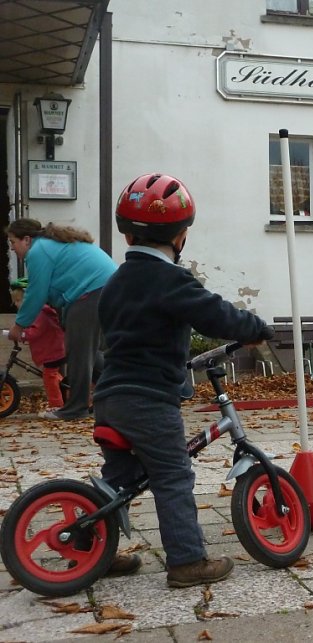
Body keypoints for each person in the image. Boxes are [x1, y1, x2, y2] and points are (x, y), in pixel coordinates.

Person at [94, 173, 274, 588]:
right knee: (172, 475)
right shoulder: (170, 280)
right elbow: (213, 312)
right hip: (148, 400)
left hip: (110, 396)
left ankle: (92, 548)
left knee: (120, 480)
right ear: (180, 237)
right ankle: (188, 561)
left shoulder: (116, 282)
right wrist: (253, 327)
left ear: (127, 235)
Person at [6, 218, 116, 420]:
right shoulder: (48, 246)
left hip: (93, 289)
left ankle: (76, 408)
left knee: (78, 352)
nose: (12, 249)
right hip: (101, 288)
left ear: (27, 240)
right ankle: (126, 388)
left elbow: (35, 294)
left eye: (13, 242)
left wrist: (19, 325)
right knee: (87, 350)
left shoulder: (38, 252)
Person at [8, 278, 66, 409]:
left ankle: (56, 406)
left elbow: (35, 331)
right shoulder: (34, 313)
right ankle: (67, 393)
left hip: (53, 351)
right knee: (52, 375)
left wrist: (22, 334)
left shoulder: (39, 313)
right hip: (51, 350)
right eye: (15, 301)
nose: (16, 304)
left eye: (18, 301)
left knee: (49, 377)